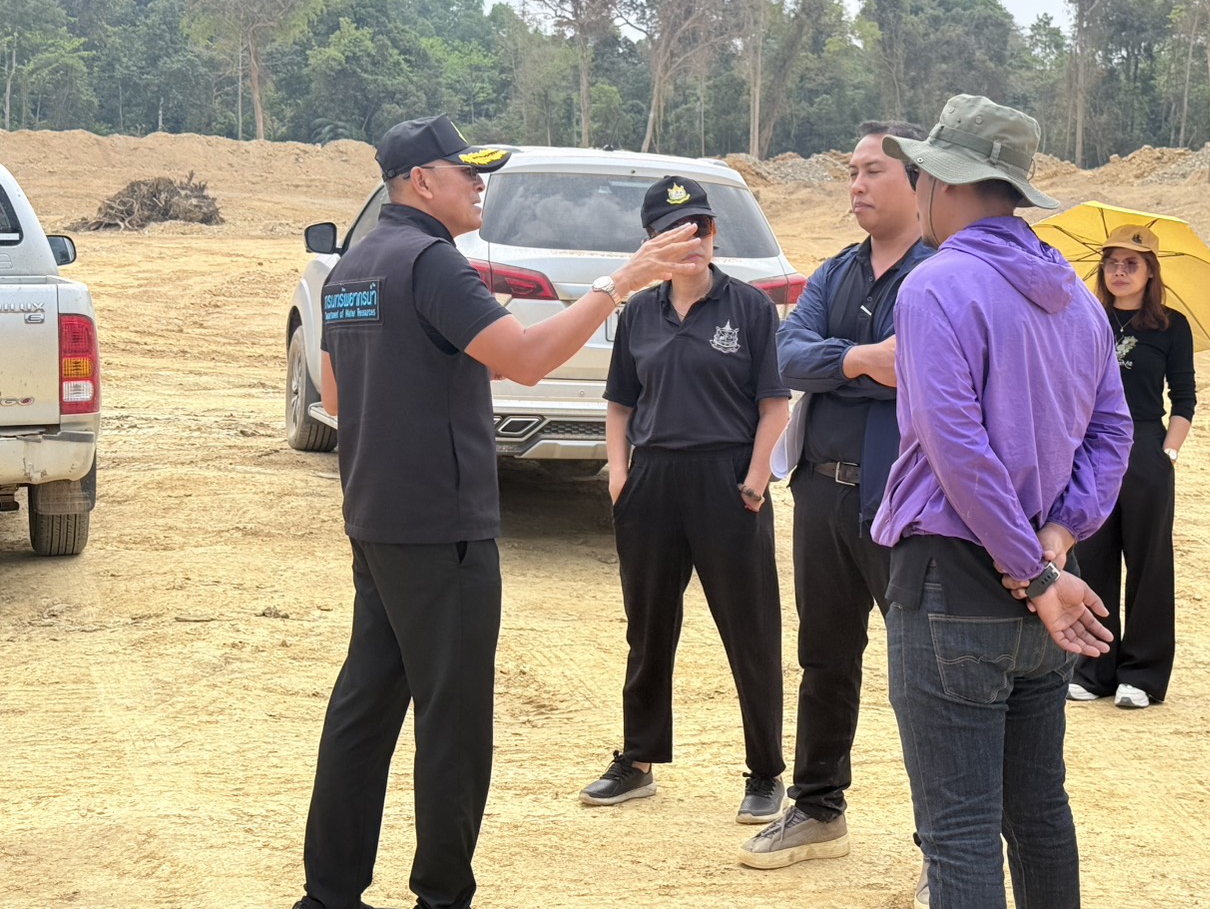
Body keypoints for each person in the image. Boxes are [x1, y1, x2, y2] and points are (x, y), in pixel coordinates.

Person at [295, 115, 701, 909]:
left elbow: (336, 396)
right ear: (421, 182)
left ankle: (329, 893)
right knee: (453, 725)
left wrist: (434, 373)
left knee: (363, 712)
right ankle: (442, 895)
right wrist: (616, 283)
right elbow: (525, 361)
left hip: (377, 517)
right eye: (465, 171)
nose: (479, 184)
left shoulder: (354, 265)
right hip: (442, 527)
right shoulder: (432, 261)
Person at [871, 94, 1133, 909]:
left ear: (945, 181)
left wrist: (1032, 569)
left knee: (958, 831)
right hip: (1045, 588)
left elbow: (955, 449)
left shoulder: (935, 286)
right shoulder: (1076, 298)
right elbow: (1113, 430)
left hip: (955, 582)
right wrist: (1056, 537)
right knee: (1038, 812)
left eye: (919, 176)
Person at [738, 121, 932, 871]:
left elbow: (926, 371)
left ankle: (942, 845)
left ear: (918, 180)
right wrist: (862, 360)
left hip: (903, 501)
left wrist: (842, 365)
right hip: (821, 491)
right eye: (851, 171)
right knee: (823, 657)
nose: (855, 184)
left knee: (922, 674)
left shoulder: (940, 274)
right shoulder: (834, 272)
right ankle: (819, 807)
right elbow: (787, 354)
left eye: (872, 170)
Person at [578, 175, 791, 826]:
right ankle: (638, 759)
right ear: (651, 243)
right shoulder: (638, 313)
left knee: (750, 629)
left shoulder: (749, 308)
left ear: (714, 233)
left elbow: (774, 405)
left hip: (728, 483)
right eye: (673, 232)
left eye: (699, 228)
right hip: (652, 483)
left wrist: (755, 478)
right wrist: (620, 474)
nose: (690, 241)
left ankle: (765, 773)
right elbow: (620, 403)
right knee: (647, 627)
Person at [1067, 225, 1196, 709]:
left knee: (1149, 563)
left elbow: (1184, 398)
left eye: (1131, 264)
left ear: (1150, 272)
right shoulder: (1085, 317)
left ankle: (1142, 675)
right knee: (1092, 557)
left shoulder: (1170, 326)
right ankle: (1093, 669)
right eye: (1112, 263)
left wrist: (1167, 453)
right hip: (1091, 446)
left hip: (1144, 448)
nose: (1119, 272)